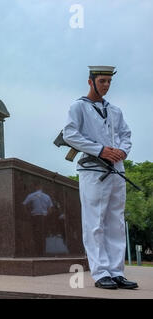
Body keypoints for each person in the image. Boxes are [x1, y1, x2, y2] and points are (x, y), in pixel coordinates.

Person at [63, 66, 138, 290]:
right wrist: (100, 149)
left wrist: (122, 151)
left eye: (108, 82)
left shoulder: (115, 111)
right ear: (91, 82)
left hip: (117, 170)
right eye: (102, 81)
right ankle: (100, 272)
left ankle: (116, 272)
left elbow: (126, 135)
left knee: (115, 222)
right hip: (93, 171)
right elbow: (70, 134)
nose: (106, 85)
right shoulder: (78, 107)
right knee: (94, 223)